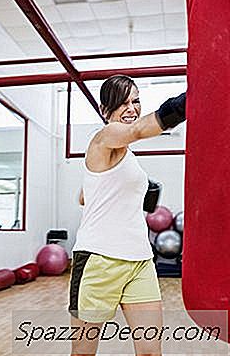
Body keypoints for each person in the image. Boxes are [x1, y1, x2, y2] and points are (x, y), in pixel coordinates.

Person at [69, 75, 186, 356]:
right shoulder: (104, 137)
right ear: (104, 109)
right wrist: (189, 101)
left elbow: (83, 197)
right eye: (122, 102)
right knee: (84, 352)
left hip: (140, 261)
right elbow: (137, 131)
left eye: (135, 100)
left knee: (150, 351)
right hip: (99, 261)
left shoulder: (123, 154)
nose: (131, 108)